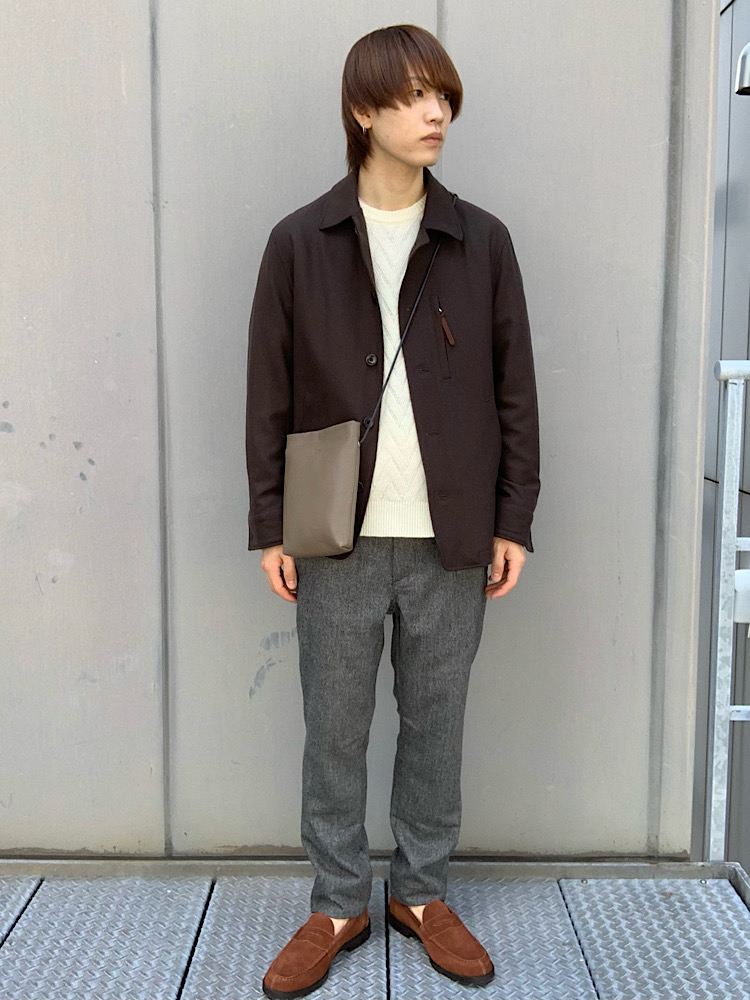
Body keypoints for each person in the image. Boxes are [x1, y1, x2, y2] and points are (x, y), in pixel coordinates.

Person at [245, 23, 540, 999]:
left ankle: (421, 892)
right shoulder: (301, 243)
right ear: (362, 110)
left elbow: (515, 390)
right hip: (336, 536)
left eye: (443, 95)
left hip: (453, 535)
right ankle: (338, 901)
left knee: (436, 724)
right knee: (333, 729)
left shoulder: (481, 240)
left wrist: (513, 517)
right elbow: (268, 394)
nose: (435, 112)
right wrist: (269, 524)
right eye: (414, 95)